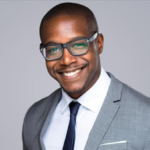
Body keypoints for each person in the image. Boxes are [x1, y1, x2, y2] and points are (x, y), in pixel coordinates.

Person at [22, 2, 150, 150]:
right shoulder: (33, 117)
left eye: (78, 45)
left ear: (99, 44)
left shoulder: (146, 116)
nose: (66, 60)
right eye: (53, 49)